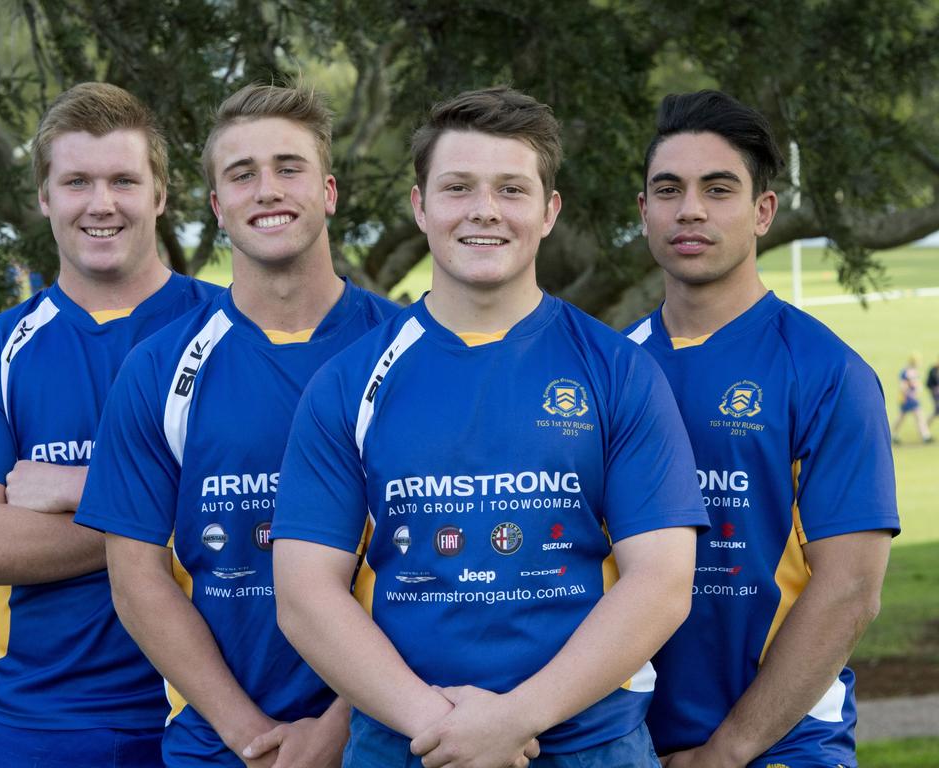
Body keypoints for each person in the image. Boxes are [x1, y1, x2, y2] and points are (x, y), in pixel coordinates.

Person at [270, 86, 708, 768]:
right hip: (404, 743)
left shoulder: (619, 371)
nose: (484, 211)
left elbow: (662, 582)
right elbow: (304, 595)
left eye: (510, 189)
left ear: (548, 211)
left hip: (591, 745)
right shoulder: (348, 383)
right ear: (420, 206)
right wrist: (443, 728)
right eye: (457, 187)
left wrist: (515, 720)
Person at [75, 82, 398, 767]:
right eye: (243, 175)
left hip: (390, 734)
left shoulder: (410, 350)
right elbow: (136, 579)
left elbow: (438, 568)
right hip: (220, 746)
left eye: (289, 168)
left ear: (330, 191)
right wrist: (248, 732)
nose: (268, 190)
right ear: (219, 207)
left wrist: (338, 727)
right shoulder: (158, 368)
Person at [0, 83, 220, 767]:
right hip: (44, 728)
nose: (101, 203)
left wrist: (80, 486)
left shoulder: (233, 333)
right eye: (77, 181)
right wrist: (185, 506)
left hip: (221, 720)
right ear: (46, 197)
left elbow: (274, 510)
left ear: (161, 195)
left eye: (123, 180)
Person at [625, 90, 900, 767]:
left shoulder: (826, 372)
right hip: (626, 743)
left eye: (719, 189)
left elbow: (851, 593)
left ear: (763, 212)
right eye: (669, 190)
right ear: (644, 212)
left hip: (784, 747)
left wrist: (727, 751)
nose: (690, 209)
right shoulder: (611, 370)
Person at [891, 352, 932, 443]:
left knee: (914, 416)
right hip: (907, 399)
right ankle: (925, 436)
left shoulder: (912, 371)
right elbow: (903, 386)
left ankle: (925, 435)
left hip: (911, 398)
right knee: (910, 417)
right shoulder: (906, 372)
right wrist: (910, 393)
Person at [928, 354, 939, 428]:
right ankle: (925, 426)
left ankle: (924, 427)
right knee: (937, 410)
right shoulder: (933, 370)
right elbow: (928, 383)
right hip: (935, 393)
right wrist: (934, 388)